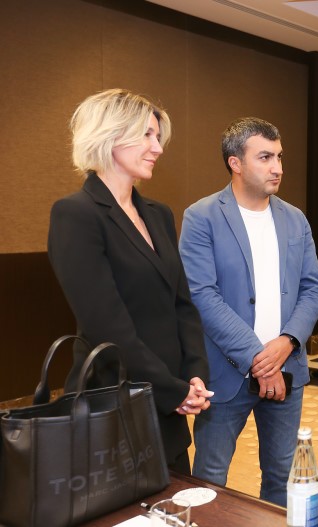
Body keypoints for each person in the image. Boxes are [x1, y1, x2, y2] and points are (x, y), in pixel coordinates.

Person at [48, 89, 212, 474]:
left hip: (168, 404)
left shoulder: (158, 213)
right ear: (109, 136)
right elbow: (107, 326)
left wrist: (194, 373)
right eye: (147, 135)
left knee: (176, 501)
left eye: (158, 136)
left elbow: (182, 304)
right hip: (114, 406)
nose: (158, 147)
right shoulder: (76, 214)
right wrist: (172, 390)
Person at [179, 117, 318, 505]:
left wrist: (287, 342)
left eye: (279, 156)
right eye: (265, 157)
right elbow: (202, 295)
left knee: (281, 477)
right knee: (209, 480)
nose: (278, 167)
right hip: (226, 374)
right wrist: (261, 360)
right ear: (236, 163)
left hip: (287, 370)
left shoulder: (295, 219)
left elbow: (313, 288)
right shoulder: (202, 217)